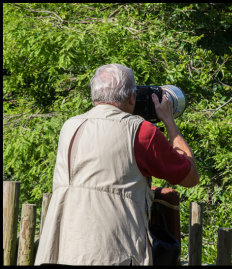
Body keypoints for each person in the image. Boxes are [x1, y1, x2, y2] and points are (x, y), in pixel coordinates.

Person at [34, 63, 200, 265]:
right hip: (112, 253)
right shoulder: (141, 132)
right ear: (132, 97)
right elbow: (190, 177)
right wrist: (168, 121)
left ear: (95, 95)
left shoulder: (70, 125)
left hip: (60, 250)